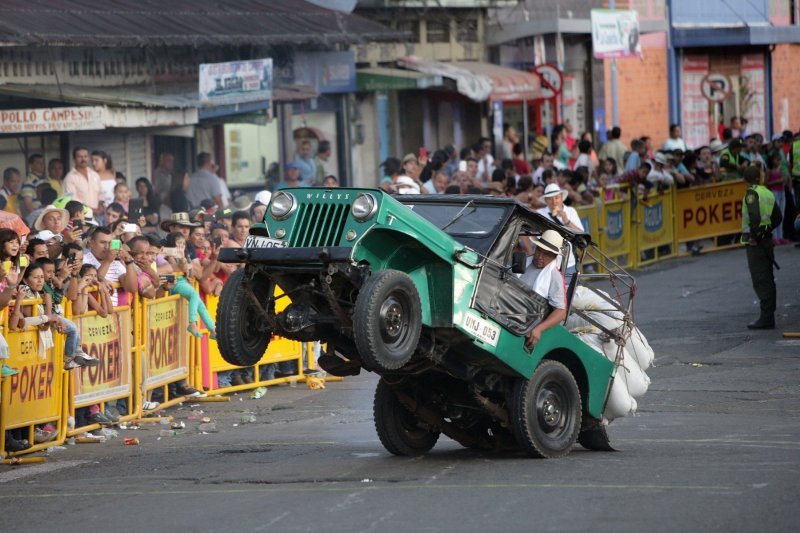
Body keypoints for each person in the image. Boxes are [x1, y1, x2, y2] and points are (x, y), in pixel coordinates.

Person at [741, 166, 782, 330]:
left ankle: (766, 318)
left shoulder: (751, 193)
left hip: (756, 244)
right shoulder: (768, 192)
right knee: (768, 279)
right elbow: (778, 217)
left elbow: (754, 216)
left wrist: (755, 236)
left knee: (760, 279)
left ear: (745, 180)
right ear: (759, 177)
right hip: (766, 241)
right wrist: (766, 230)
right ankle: (768, 315)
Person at [520, 230, 567, 349]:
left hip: (526, 325)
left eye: (546, 254)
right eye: (539, 251)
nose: (539, 257)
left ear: (554, 256)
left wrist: (539, 329)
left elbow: (561, 312)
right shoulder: (524, 261)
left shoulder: (554, 276)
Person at [536, 184, 584, 275]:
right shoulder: (540, 214)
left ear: (561, 198)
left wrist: (566, 221)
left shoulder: (570, 211)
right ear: (546, 201)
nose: (554, 202)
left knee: (569, 288)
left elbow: (581, 233)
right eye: (550, 199)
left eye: (556, 198)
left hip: (569, 261)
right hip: (548, 263)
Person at [63, 147, 103, 216]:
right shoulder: (70, 178)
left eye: (85, 156)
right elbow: (73, 200)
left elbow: (101, 194)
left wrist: (101, 207)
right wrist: (92, 210)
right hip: (81, 216)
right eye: (80, 157)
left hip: (99, 215)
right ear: (74, 159)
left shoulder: (94, 175)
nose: (83, 159)